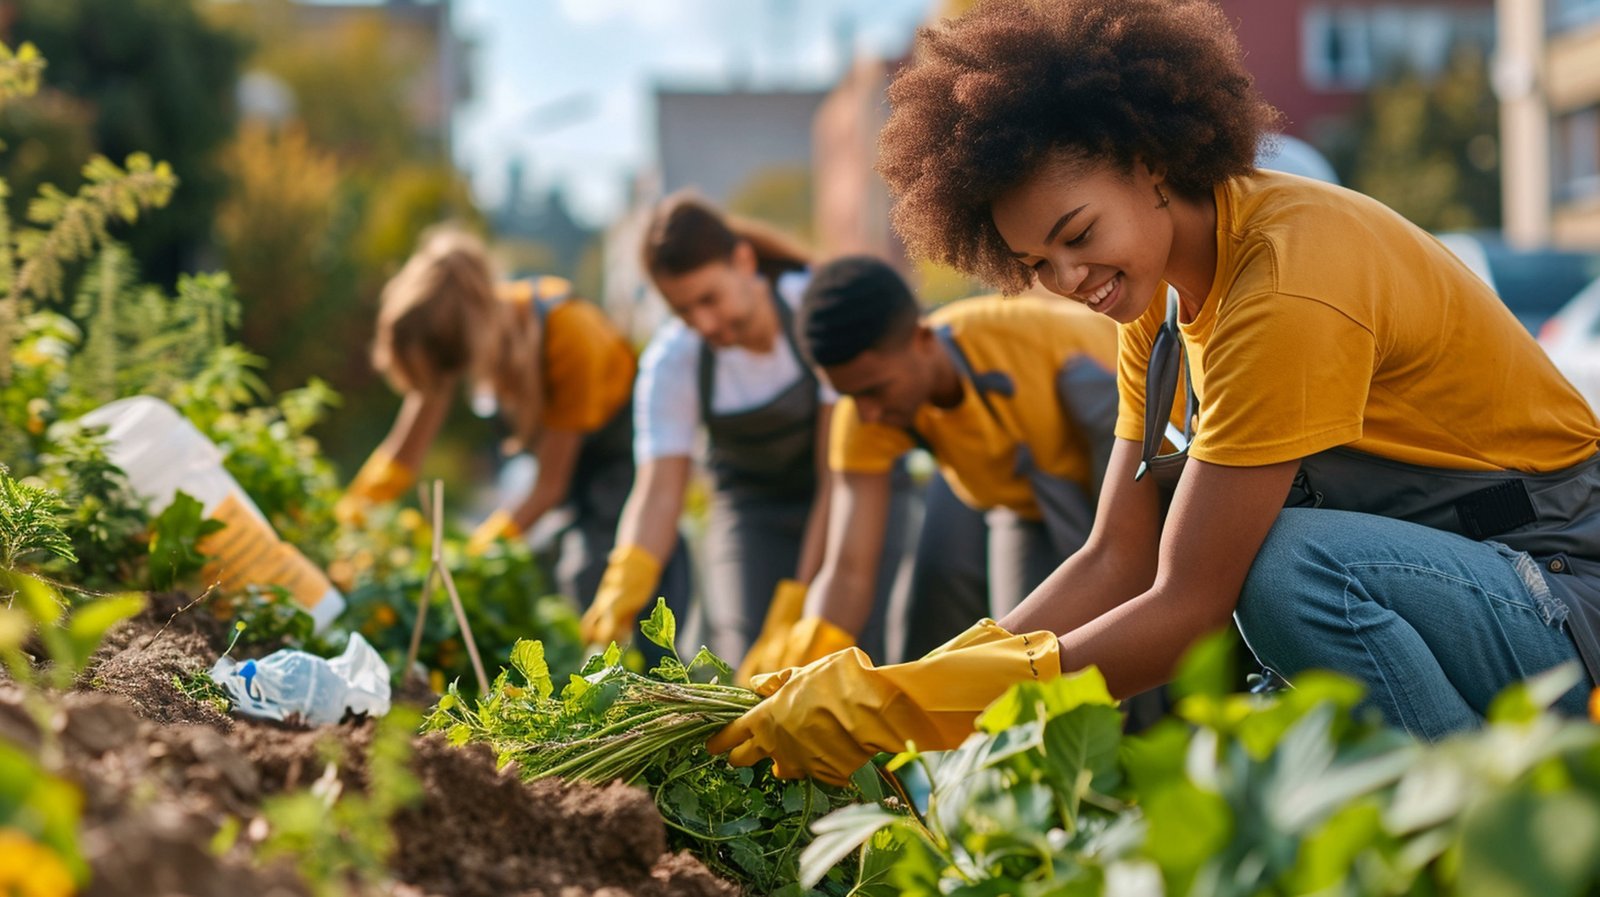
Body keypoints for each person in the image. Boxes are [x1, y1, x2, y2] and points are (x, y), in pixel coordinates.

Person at [709, 0, 1600, 785]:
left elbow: (1188, 603)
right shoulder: (1160, 319)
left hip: (1557, 586)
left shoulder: (1285, 280)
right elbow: (1115, 556)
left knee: (1287, 568)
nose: (1067, 277)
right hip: (1452, 583)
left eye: (1077, 232)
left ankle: (1487, 817)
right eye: (1033, 262)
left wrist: (916, 710)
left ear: (1148, 163)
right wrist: (920, 681)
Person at [739, 255, 1122, 680]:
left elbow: (1122, 542)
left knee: (1115, 658)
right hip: (1022, 506)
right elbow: (848, 569)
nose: (867, 413)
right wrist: (805, 666)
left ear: (923, 340)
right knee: (1021, 667)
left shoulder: (1024, 341)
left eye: (875, 390)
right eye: (850, 396)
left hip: (1127, 472)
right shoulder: (867, 411)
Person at [580, 195, 910, 661]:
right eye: (684, 311)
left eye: (709, 299)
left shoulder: (815, 310)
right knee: (745, 660)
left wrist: (799, 598)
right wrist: (625, 578)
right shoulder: (674, 360)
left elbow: (836, 478)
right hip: (754, 512)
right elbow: (657, 491)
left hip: (855, 492)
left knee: (849, 650)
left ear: (743, 260)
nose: (704, 323)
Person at [336, 227, 681, 616]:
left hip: (625, 474)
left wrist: (467, 563)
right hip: (570, 485)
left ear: (471, 342)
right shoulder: (459, 338)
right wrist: (344, 524)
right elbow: (403, 454)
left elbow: (549, 488)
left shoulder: (569, 335)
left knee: (585, 580)